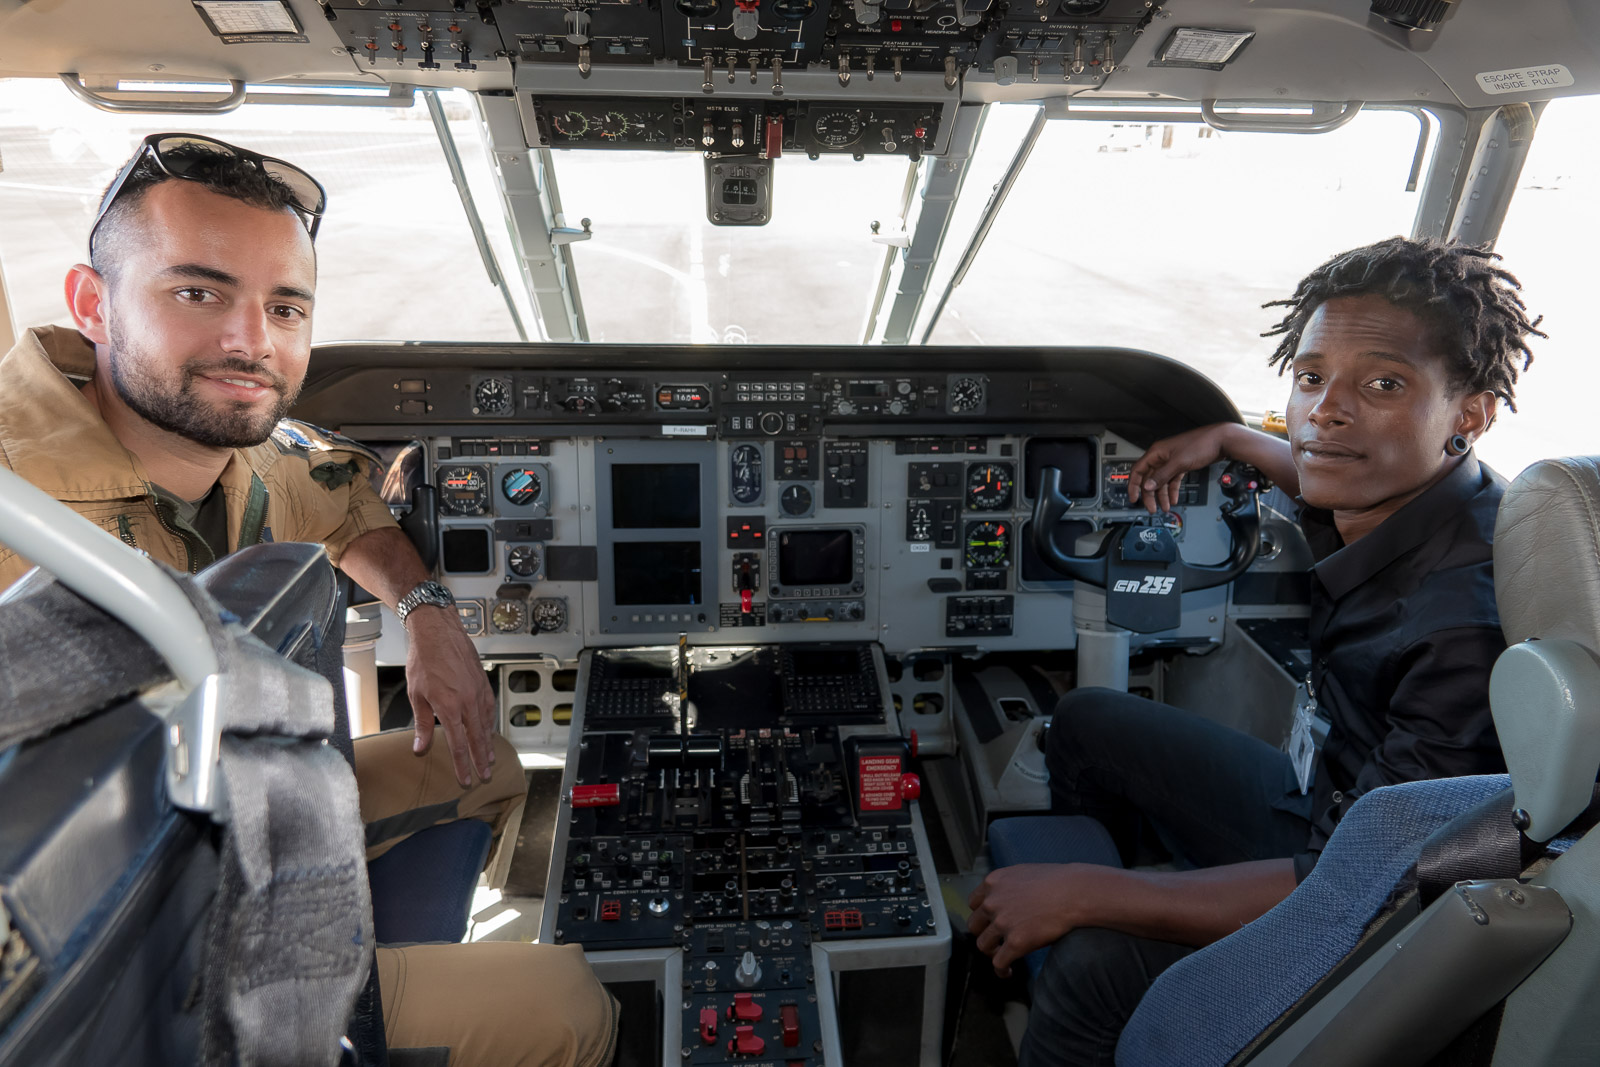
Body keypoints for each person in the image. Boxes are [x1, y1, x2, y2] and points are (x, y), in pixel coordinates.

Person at [0, 134, 616, 1066]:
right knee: (567, 1005)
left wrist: (431, 614)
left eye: (284, 306)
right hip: (147, 962)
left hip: (234, 820)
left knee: (485, 764)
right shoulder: (21, 504)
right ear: (93, 303)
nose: (251, 341)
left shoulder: (244, 449)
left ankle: (399, 952)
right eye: (198, 292)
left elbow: (344, 502)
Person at [966, 236, 1546, 1066]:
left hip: (1366, 901)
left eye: (1383, 383)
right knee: (1090, 717)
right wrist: (1235, 438)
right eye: (1311, 378)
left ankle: (1105, 964)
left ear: (1472, 412)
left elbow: (1365, 890)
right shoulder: (1431, 498)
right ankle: (1130, 897)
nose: (1325, 412)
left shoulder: (1463, 630)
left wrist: (1090, 895)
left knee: (1094, 963)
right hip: (1334, 811)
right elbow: (1316, 469)